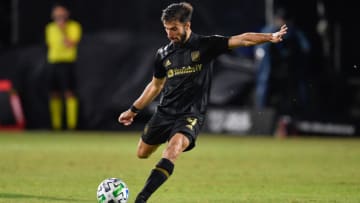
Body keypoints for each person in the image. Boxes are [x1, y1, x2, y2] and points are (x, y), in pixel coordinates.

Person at [118, 2, 287, 202]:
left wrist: (270, 37)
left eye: (174, 29)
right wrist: (133, 110)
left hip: (191, 114)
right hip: (164, 113)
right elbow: (155, 86)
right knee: (142, 153)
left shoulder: (206, 45)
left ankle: (142, 198)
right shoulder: (163, 54)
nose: (170, 34)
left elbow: (242, 40)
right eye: (166, 29)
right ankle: (167, 138)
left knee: (173, 149)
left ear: (187, 26)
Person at [254, 8, 310, 113]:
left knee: (299, 84)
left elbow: (306, 47)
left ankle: (302, 111)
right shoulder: (270, 30)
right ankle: (260, 113)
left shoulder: (294, 32)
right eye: (281, 20)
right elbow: (260, 49)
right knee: (264, 80)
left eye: (285, 20)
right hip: (271, 66)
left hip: (288, 67)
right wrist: (260, 53)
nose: (282, 22)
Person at [45, 3, 82, 130]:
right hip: (53, 63)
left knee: (69, 93)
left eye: (61, 13)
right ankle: (56, 126)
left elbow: (71, 43)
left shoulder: (74, 27)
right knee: (54, 93)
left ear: (66, 14)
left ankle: (72, 125)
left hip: (67, 64)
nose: (59, 15)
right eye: (56, 13)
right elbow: (50, 45)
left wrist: (63, 29)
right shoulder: (50, 28)